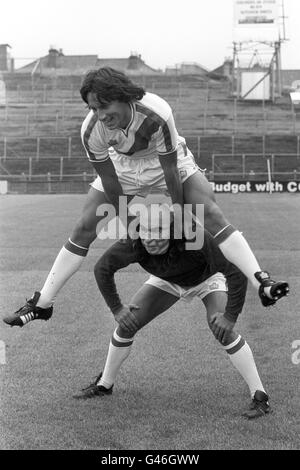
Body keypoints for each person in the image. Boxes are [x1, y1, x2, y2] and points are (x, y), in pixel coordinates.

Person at [3, 67, 289, 328]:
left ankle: (261, 282)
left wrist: (177, 212)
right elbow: (111, 180)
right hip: (121, 167)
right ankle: (43, 303)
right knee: (84, 227)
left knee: (210, 213)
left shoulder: (157, 113)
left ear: (123, 96)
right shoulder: (91, 129)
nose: (100, 115)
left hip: (164, 163)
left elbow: (170, 170)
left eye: (104, 105)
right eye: (93, 108)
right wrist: (131, 224)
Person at [73, 204, 280, 419]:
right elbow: (102, 268)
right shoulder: (134, 241)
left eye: (158, 233)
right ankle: (105, 384)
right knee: (127, 323)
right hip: (166, 280)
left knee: (222, 329)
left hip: (207, 278)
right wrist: (117, 308)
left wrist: (230, 316)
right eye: (147, 235)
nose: (151, 240)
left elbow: (235, 271)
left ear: (173, 230)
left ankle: (260, 396)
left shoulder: (197, 237)